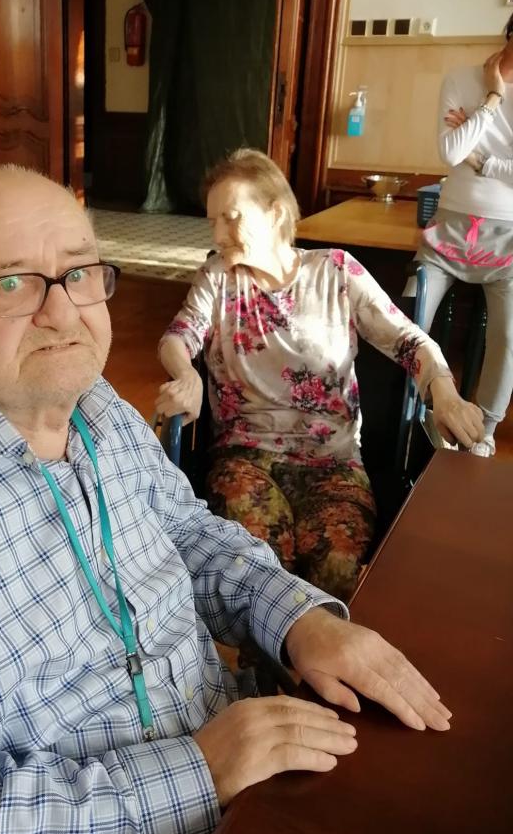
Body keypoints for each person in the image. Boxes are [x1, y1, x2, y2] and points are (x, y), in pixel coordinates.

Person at [0, 166, 452, 834]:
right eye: (11, 283)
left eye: (79, 274)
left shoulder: (95, 404)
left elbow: (185, 535)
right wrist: (201, 772)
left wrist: (297, 620)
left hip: (247, 785)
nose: (62, 313)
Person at [156, 149, 483, 601]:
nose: (218, 234)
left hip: (334, 463)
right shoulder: (218, 277)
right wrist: (186, 375)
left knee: (335, 572)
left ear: (275, 213)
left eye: (231, 218)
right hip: (244, 459)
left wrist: (444, 393)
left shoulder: (335, 272)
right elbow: (178, 337)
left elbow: (410, 341)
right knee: (263, 574)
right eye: (212, 221)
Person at [411, 9, 513, 457]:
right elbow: (451, 151)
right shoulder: (461, 78)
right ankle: (415, 413)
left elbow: (472, 154)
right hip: (449, 230)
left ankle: (483, 433)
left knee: (509, 338)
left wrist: (483, 160)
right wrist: (493, 99)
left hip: (508, 236)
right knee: (408, 316)